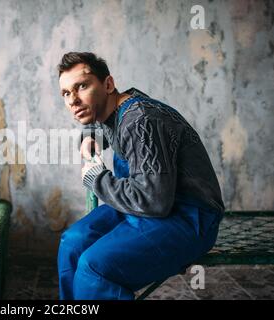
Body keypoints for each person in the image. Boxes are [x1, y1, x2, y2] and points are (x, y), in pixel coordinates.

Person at [56, 52, 225, 300]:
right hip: (147, 206)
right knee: (73, 242)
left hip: (189, 217)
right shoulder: (113, 108)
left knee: (94, 269)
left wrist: (97, 179)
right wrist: (90, 135)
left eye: (82, 86)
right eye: (66, 93)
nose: (73, 100)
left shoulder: (140, 120)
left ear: (108, 84)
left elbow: (153, 201)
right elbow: (106, 125)